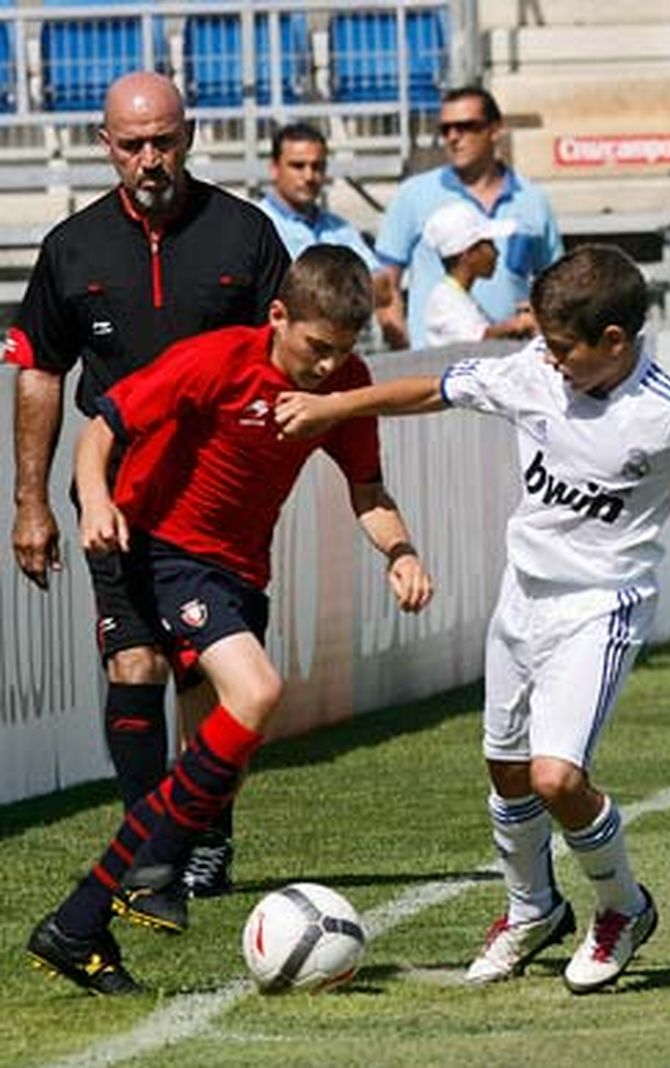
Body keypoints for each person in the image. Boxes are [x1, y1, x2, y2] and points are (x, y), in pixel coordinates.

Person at [274, 244, 670, 994]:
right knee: (508, 772)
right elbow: (434, 390)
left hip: (601, 607)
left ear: (614, 342)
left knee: (556, 776)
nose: (548, 357)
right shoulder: (534, 369)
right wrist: (334, 405)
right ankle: (532, 909)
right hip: (523, 598)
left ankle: (623, 907)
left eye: (562, 346)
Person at [24, 246, 435, 995]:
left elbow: (368, 489)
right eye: (315, 349)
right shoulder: (217, 360)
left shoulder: (344, 385)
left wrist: (400, 552)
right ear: (278, 317)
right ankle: (158, 861)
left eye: (341, 353)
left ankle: (80, 923)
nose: (325, 367)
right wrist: (96, 497)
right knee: (254, 692)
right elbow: (100, 430)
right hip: (158, 547)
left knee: (229, 749)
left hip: (241, 572)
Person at [5, 71, 291, 899]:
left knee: (206, 676)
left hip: (216, 499)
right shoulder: (73, 246)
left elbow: (288, 353)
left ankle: (209, 834)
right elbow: (41, 373)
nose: (149, 159)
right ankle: (149, 848)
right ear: (105, 145)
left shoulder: (245, 234)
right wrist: (30, 499)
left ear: (189, 135)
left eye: (163, 140)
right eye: (132, 144)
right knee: (134, 663)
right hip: (115, 495)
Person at [374, 86, 559, 350]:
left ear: (495, 130)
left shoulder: (532, 200)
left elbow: (554, 284)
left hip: (512, 366)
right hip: (434, 369)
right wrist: (405, 352)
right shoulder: (412, 195)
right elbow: (385, 286)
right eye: (445, 129)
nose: (453, 137)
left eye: (465, 126)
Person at [257, 122, 406, 348]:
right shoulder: (258, 225)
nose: (309, 176)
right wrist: (349, 287)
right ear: (275, 168)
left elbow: (383, 287)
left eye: (317, 166)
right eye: (298, 166)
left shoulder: (340, 228)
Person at [419, 200, 538, 346]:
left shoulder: (459, 297)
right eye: (489, 244)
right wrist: (518, 324)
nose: (497, 253)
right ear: (468, 254)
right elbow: (475, 343)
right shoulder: (444, 301)